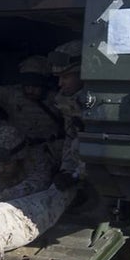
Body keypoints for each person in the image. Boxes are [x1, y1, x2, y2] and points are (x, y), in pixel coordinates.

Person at [0, 123, 55, 203]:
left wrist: (6, 196)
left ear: (20, 158)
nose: (1, 170)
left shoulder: (37, 158)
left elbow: (40, 182)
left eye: (7, 164)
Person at [47, 39, 86, 186]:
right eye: (59, 78)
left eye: (66, 77)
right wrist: (66, 171)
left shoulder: (100, 100)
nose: (60, 84)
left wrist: (77, 174)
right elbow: (70, 137)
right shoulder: (67, 101)